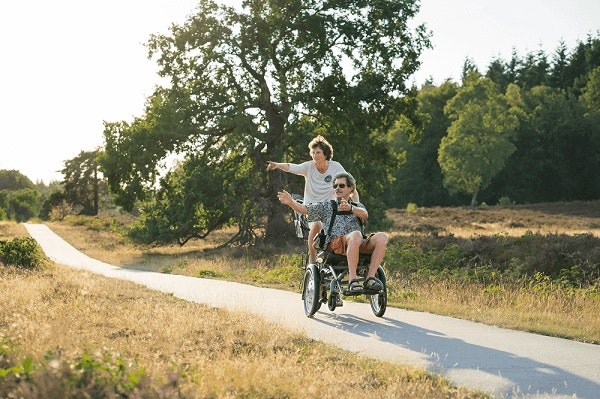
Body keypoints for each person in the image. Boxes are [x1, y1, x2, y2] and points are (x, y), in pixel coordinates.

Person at [277, 172, 387, 293]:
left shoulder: (357, 206)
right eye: (335, 186)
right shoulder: (327, 206)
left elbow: (365, 215)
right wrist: (291, 202)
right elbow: (304, 210)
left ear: (350, 189)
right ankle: (353, 280)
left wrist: (351, 209)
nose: (337, 188)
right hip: (335, 244)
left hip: (356, 242)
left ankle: (370, 278)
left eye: (341, 185)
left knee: (382, 237)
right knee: (356, 234)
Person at [267, 135, 359, 263]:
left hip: (330, 209)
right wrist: (277, 165)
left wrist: (356, 206)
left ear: (325, 154)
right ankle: (312, 260)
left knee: (344, 227)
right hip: (310, 209)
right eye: (313, 152)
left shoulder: (336, 167)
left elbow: (351, 186)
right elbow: (292, 167)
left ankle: (335, 256)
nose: (315, 155)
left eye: (318, 152)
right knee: (316, 226)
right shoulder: (309, 167)